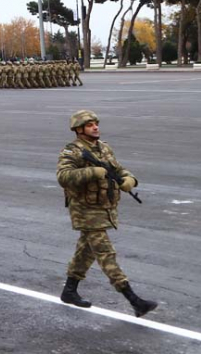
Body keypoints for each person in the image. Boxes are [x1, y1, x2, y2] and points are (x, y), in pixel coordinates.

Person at [57, 110, 158, 317]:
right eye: (89, 124)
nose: (95, 127)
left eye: (96, 123)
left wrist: (130, 180)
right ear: (78, 129)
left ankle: (69, 291)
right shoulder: (72, 151)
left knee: (85, 251)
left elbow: (119, 170)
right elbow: (63, 176)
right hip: (85, 210)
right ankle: (134, 300)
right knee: (105, 253)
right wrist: (92, 172)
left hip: (104, 208)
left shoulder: (104, 149)